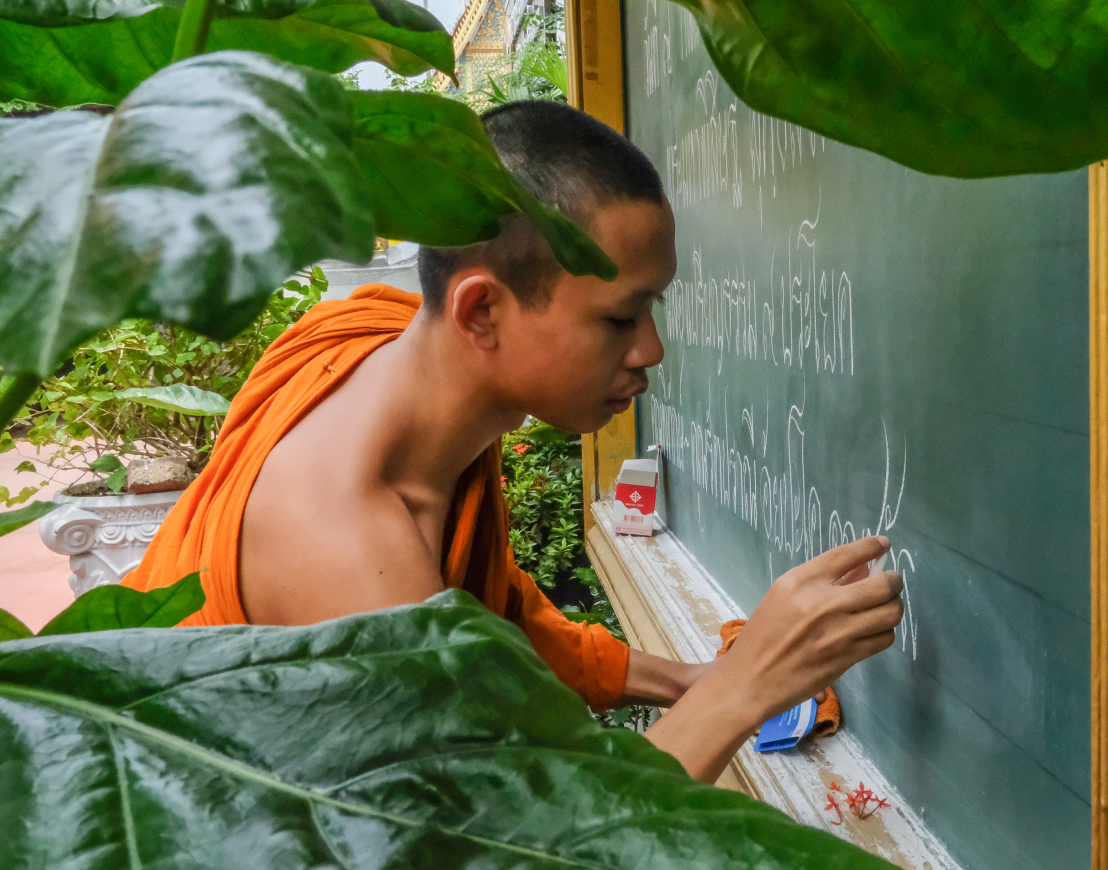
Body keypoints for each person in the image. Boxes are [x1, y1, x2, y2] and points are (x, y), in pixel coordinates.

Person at [125, 100, 904, 784]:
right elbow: (520, 844)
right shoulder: (346, 559)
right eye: (618, 319)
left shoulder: (373, 341)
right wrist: (749, 686)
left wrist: (688, 680)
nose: (651, 352)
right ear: (481, 314)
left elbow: (491, 616)